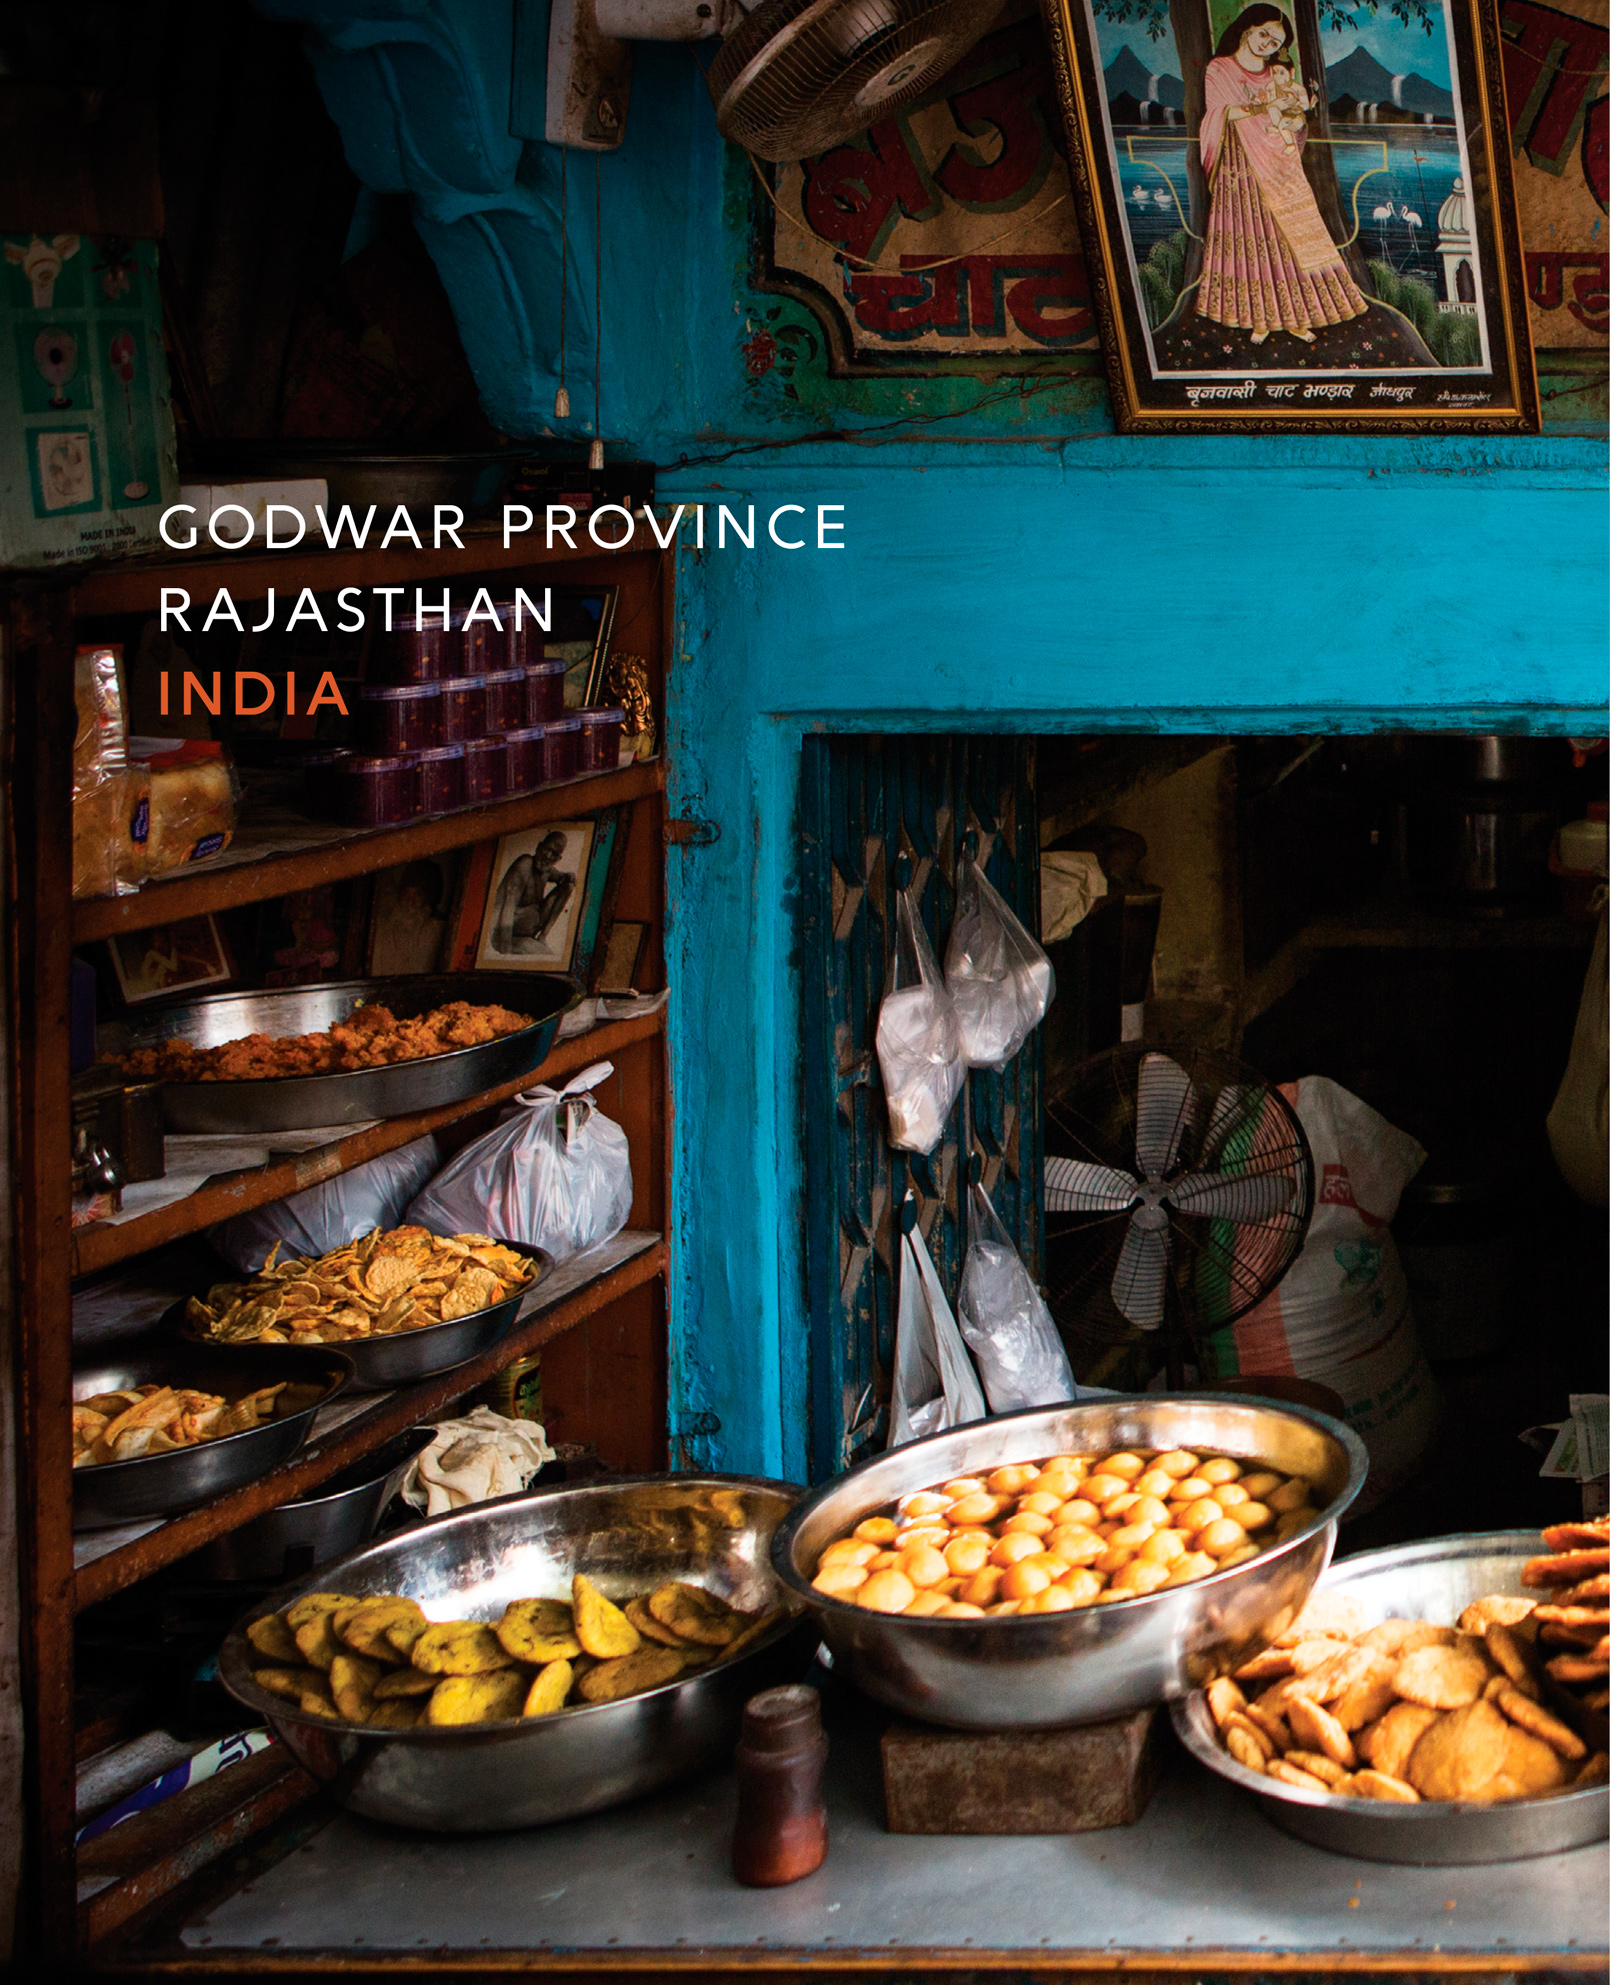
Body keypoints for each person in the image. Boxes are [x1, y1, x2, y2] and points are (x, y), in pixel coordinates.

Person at [1195, 3, 1368, 345]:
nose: (1267, 45)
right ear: (1246, 29)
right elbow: (1220, 114)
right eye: (1263, 34)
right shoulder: (1220, 69)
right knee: (1250, 242)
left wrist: (1294, 121)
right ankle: (1258, 317)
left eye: (1275, 42)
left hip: (1280, 166)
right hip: (1240, 170)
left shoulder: (1279, 74)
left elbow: (1295, 116)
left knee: (1289, 240)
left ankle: (1295, 316)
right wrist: (1263, 108)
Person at [490, 832, 575, 956]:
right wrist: (505, 949)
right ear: (539, 847)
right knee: (546, 956)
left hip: (529, 927)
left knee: (568, 886)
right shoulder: (525, 864)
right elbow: (508, 906)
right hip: (507, 932)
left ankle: (542, 937)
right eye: (547, 849)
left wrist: (568, 876)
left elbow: (560, 877)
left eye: (554, 854)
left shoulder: (547, 869)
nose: (548, 856)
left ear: (558, 859)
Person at [1264, 58, 1313, 152]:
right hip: (1280, 114)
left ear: (1291, 72)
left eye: (1282, 73)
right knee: (1272, 109)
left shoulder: (1298, 88)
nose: (1278, 77)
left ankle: (1290, 145)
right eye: (1274, 72)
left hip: (1295, 114)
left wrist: (1296, 103)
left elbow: (1305, 105)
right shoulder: (1270, 87)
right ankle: (1276, 127)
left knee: (1283, 123)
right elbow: (1269, 104)